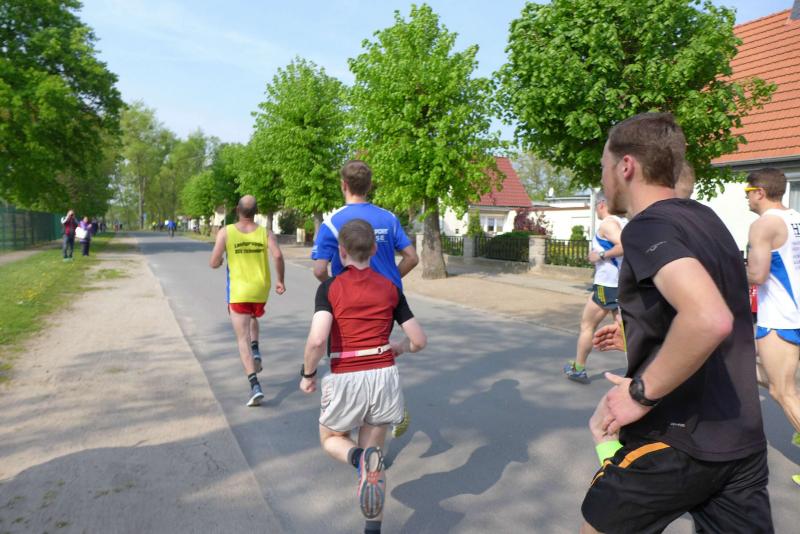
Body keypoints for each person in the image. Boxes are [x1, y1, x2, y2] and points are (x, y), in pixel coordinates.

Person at [580, 112, 772, 533]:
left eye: (603, 166)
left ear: (626, 166)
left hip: (674, 439)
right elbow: (712, 305)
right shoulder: (708, 221)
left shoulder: (646, 227)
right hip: (739, 438)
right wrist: (639, 337)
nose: (603, 178)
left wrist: (640, 393)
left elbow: (709, 318)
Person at [300, 219, 427, 534]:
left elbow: (317, 340)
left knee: (332, 438)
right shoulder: (390, 288)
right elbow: (418, 340)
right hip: (384, 375)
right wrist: (400, 347)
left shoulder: (330, 288)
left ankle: (357, 457)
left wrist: (308, 374)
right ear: (373, 250)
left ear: (341, 252)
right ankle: (373, 527)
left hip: (347, 374)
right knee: (376, 454)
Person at [312, 159, 419, 436]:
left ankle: (352, 425)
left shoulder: (332, 222)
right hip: (385, 302)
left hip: (348, 304)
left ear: (343, 185)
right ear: (369, 186)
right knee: (378, 351)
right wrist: (390, 282)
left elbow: (320, 269)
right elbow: (412, 257)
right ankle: (387, 407)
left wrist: (336, 291)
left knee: (349, 358)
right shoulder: (389, 218)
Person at [745, 167, 800, 486]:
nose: (746, 199)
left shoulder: (763, 225)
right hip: (792, 314)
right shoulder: (795, 218)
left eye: (747, 192)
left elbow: (758, 275)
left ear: (760, 192)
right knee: (752, 367)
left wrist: (723, 272)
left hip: (781, 319)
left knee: (782, 391)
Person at [209, 195, 286, 407]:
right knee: (252, 316)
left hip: (239, 291)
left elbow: (213, 262)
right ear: (256, 211)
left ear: (237, 210)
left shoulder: (226, 232)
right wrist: (280, 280)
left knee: (241, 337)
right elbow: (278, 256)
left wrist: (220, 260)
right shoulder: (265, 233)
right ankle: (256, 349)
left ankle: (255, 386)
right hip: (260, 289)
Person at [563, 193, 625, 383]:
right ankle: (646, 372)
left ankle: (579, 369)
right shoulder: (623, 222)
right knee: (625, 329)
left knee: (588, 325)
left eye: (594, 205)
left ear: (601, 204)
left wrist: (600, 255)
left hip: (608, 285)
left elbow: (624, 246)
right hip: (619, 283)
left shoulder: (608, 224)